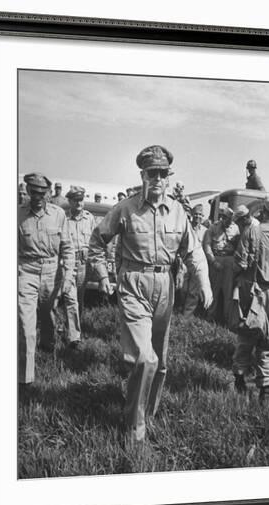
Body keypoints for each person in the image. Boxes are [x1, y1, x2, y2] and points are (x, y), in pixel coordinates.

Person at [88, 145, 212, 448]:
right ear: (142, 175)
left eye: (163, 174)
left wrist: (204, 282)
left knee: (161, 361)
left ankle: (149, 412)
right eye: (151, 173)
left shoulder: (178, 211)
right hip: (133, 283)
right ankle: (134, 426)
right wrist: (104, 275)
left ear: (168, 178)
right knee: (145, 358)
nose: (157, 178)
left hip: (164, 285)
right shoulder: (126, 208)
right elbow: (97, 241)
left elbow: (193, 251)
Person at [18, 172, 75, 384]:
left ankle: (48, 347)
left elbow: (68, 248)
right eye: (33, 192)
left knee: (47, 314)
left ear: (49, 193)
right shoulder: (17, 214)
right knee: (25, 324)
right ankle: (25, 378)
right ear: (27, 191)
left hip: (52, 272)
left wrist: (68, 276)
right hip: (26, 270)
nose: (38, 197)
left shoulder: (59, 214)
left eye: (42, 193)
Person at [232, 197, 269, 401]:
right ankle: (266, 389)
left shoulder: (253, 230)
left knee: (246, 335)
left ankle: (240, 380)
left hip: (253, 291)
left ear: (263, 211)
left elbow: (240, 263)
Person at [63, 186, 96, 348]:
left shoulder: (89, 218)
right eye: (75, 200)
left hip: (84, 263)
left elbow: (95, 240)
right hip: (68, 264)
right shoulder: (64, 219)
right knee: (71, 299)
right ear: (69, 201)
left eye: (81, 199)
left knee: (80, 299)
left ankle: (73, 327)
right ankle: (74, 337)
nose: (79, 203)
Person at [203, 204, 240, 326]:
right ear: (221, 217)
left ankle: (227, 319)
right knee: (214, 289)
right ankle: (210, 316)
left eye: (229, 219)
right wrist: (213, 261)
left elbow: (239, 246)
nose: (227, 221)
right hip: (216, 259)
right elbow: (207, 245)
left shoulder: (236, 229)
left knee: (228, 291)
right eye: (224, 218)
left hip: (229, 261)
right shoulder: (213, 228)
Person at [183, 204, 208, 318]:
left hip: (197, 263)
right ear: (192, 215)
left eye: (200, 215)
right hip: (184, 262)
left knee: (193, 290)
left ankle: (187, 314)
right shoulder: (186, 227)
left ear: (203, 216)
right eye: (196, 214)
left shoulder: (205, 231)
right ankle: (178, 307)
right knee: (182, 288)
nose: (198, 216)